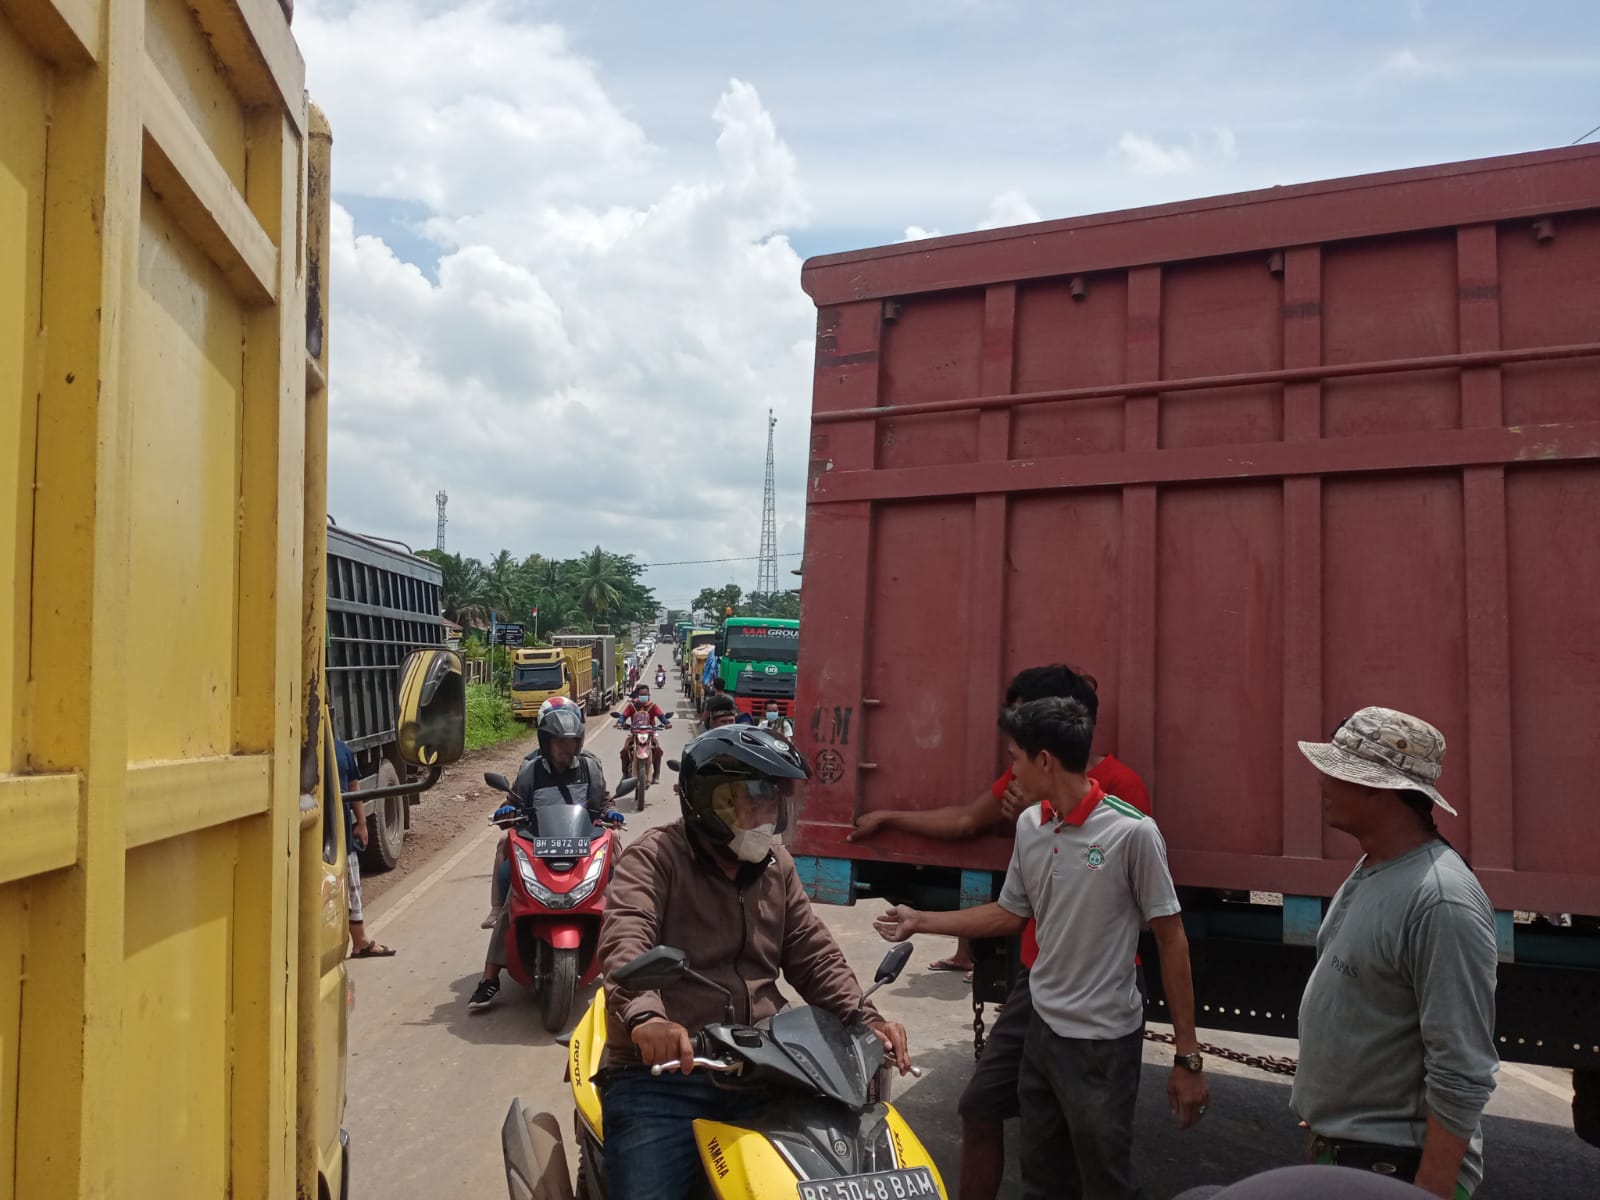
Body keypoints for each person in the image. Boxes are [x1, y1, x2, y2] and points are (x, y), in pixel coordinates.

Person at [875, 697, 1206, 1200]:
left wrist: (1188, 1057)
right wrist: (922, 921)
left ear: (1045, 760)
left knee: (1106, 1180)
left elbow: (1170, 938)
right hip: (1042, 1031)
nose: (1011, 773)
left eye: (1016, 759)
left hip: (1102, 1043)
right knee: (1043, 1179)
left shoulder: (1132, 833)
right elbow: (1011, 913)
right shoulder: (1032, 827)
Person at [597, 727, 913, 1200]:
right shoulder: (654, 859)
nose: (768, 818)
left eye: (774, 804)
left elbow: (811, 950)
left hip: (767, 1065)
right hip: (668, 1076)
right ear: (709, 803)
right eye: (753, 801)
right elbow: (627, 937)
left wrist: (863, 1017)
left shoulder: (775, 865)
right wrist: (647, 1017)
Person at [1292, 708, 1498, 1199]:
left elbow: (1462, 1068)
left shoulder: (1441, 898)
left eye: (1340, 771)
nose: (1323, 781)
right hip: (1358, 1159)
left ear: (1380, 790)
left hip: (1393, 1172)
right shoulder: (1375, 865)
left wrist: (1428, 1190)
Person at [469, 699, 608, 1011]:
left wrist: (611, 814)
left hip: (581, 847)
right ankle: (490, 978)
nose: (566, 749)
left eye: (571, 742)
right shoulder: (530, 772)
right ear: (546, 742)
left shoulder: (591, 768)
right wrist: (508, 811)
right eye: (560, 742)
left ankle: (623, 958)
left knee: (616, 866)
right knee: (511, 901)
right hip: (539, 848)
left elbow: (604, 803)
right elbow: (514, 803)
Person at [339, 736, 395, 958]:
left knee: (352, 888)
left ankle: (360, 940)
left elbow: (354, 785)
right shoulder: (330, 750)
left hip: (338, 834)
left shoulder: (340, 751)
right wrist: (361, 823)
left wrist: (362, 823)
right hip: (325, 835)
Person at [617, 685, 669, 783]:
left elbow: (662, 717)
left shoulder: (653, 706)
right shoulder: (632, 706)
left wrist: (667, 723)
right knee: (625, 749)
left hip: (649, 735)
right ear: (637, 695)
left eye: (645, 694)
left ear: (649, 695)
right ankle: (625, 774)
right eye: (641, 695)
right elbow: (623, 716)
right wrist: (620, 722)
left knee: (658, 749)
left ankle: (656, 774)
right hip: (635, 734)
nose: (643, 696)